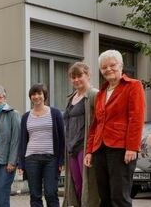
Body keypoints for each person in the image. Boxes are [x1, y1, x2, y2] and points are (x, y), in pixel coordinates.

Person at [85, 50, 146, 207]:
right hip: (100, 149)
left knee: (119, 197)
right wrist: (90, 151)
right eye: (104, 67)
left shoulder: (133, 86)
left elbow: (136, 118)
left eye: (112, 65)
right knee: (104, 197)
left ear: (121, 66)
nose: (108, 69)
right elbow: (96, 125)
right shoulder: (101, 93)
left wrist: (132, 147)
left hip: (121, 149)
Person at [18, 84, 64, 207]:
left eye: (39, 93)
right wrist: (21, 163)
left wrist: (61, 160)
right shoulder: (26, 117)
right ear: (30, 97)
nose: (36, 96)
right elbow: (22, 140)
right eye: (33, 94)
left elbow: (62, 138)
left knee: (51, 193)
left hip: (51, 159)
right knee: (35, 195)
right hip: (31, 159)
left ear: (44, 96)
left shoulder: (55, 113)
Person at [63, 62, 99, 207]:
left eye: (79, 76)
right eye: (73, 77)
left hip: (85, 147)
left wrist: (92, 149)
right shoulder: (71, 98)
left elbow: (99, 122)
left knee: (88, 187)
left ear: (88, 75)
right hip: (71, 148)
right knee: (76, 186)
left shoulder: (94, 94)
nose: (76, 80)